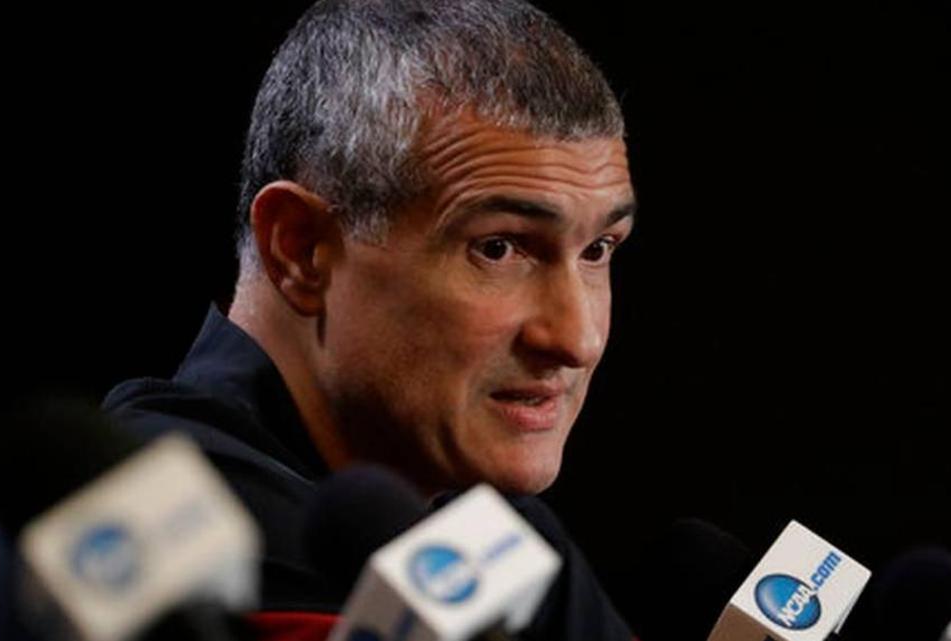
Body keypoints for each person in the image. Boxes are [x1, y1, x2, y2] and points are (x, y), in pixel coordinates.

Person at [101, 0, 636, 638]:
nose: (577, 338)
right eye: (498, 248)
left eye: (598, 250)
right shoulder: (153, 546)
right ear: (300, 250)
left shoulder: (502, 539)